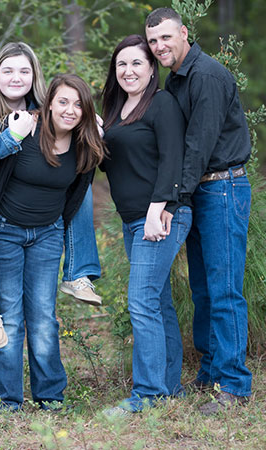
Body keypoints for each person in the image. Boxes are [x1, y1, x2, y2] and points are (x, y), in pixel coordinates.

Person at [0, 74, 105, 411]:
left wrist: (60, 230)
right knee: (11, 317)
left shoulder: (83, 145)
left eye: (78, 105)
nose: (70, 110)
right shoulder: (25, 130)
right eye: (63, 102)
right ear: (48, 104)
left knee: (44, 316)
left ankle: (50, 395)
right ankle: (6, 399)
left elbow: (77, 195)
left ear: (86, 112)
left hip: (47, 235)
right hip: (6, 231)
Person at [145, 7, 253, 415]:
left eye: (165, 38)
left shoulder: (205, 75)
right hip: (199, 192)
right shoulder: (177, 79)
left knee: (225, 289)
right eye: (153, 41)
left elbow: (199, 146)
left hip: (222, 189)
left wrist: (173, 198)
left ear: (184, 33)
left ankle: (235, 385)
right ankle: (210, 371)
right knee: (204, 291)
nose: (159, 47)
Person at [98, 35, 190, 415]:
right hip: (132, 219)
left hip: (162, 215)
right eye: (121, 64)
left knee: (141, 301)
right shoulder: (118, 111)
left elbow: (173, 158)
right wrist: (99, 139)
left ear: (152, 67)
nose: (128, 70)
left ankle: (148, 395)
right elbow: (115, 166)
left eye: (137, 63)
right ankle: (169, 387)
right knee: (157, 301)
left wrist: (159, 207)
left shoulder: (161, 103)